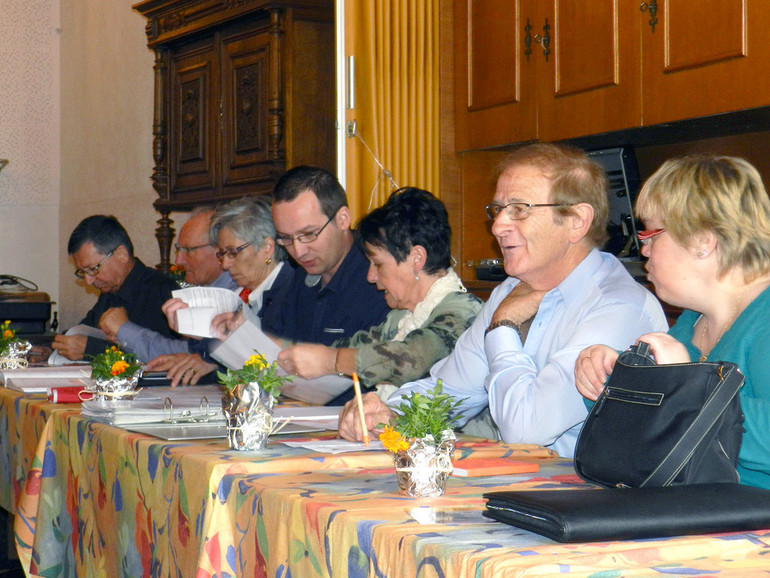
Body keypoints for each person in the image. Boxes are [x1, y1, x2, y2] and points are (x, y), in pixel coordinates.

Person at [338, 143, 668, 457]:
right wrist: (386, 409)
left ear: (577, 222)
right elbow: (449, 391)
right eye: (498, 210)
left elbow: (526, 431)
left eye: (519, 210)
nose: (497, 226)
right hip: (524, 491)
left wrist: (503, 328)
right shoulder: (512, 289)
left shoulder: (618, 308)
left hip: (586, 503)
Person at [575, 154, 770, 488]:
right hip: (702, 511)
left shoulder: (763, 321)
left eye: (651, 234)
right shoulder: (693, 321)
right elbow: (658, 423)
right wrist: (611, 381)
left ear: (702, 241)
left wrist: (685, 386)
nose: (644, 250)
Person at [277, 187, 483, 392]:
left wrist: (332, 361)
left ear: (417, 258)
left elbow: (411, 358)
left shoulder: (465, 312)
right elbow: (351, 347)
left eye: (378, 264)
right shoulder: (399, 319)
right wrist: (280, 350)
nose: (370, 276)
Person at [153, 196, 293, 385]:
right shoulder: (245, 294)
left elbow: (281, 366)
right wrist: (200, 330)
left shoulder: (294, 292)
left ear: (267, 248)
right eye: (222, 254)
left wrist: (212, 358)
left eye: (233, 253)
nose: (225, 265)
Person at [262, 165, 390, 344]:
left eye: (308, 234)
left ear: (342, 219)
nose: (298, 251)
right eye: (286, 238)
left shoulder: (379, 281)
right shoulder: (296, 281)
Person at [97, 207, 238, 363]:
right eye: (178, 250)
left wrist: (125, 330)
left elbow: (195, 354)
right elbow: (186, 353)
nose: (178, 261)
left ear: (220, 249)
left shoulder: (239, 296)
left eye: (188, 250)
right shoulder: (205, 291)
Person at [52, 215, 178, 361]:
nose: (88, 280)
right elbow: (82, 331)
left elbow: (162, 356)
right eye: (83, 272)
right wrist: (51, 348)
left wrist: (92, 350)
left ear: (121, 254)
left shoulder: (160, 291)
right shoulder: (110, 291)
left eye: (92, 269)